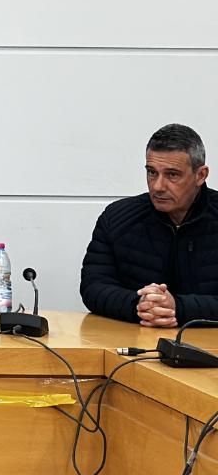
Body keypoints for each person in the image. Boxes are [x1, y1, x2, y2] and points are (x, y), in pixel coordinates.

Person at [81, 123, 218, 327]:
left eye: (172, 175)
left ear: (200, 175)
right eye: (152, 172)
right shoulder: (117, 217)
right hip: (134, 340)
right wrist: (139, 305)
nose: (158, 186)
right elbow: (93, 287)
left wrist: (178, 307)